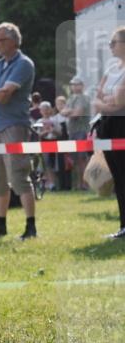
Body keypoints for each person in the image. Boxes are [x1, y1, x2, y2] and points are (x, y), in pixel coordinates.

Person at [0, 22, 37, 239]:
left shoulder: (23, 64)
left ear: (13, 41)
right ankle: (0, 224)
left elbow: (3, 97)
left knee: (19, 176)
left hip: (14, 126)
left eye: (0, 40)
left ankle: (30, 226)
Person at [93, 27, 125, 239]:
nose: (110, 46)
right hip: (108, 126)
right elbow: (96, 98)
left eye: (114, 42)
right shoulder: (113, 69)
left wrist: (107, 102)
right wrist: (108, 102)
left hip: (122, 125)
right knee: (119, 178)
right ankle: (124, 226)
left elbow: (120, 102)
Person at [64, 76, 92, 191]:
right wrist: (70, 111)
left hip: (81, 131)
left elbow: (77, 114)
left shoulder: (83, 98)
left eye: (77, 84)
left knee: (82, 159)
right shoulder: (71, 98)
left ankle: (85, 184)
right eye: (73, 84)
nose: (75, 87)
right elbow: (62, 111)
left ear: (82, 86)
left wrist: (68, 112)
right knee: (75, 159)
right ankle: (78, 184)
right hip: (72, 131)